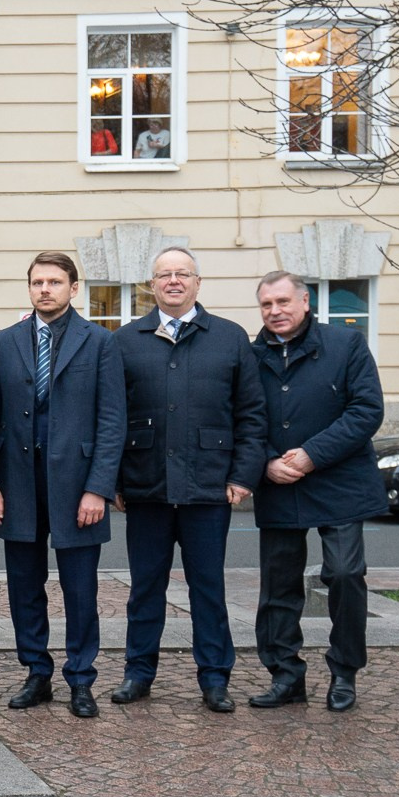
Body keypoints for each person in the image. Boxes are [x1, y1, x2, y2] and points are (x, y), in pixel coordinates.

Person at [113, 247, 267, 713]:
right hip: (145, 487)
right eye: (165, 275)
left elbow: (252, 413)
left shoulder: (230, 337)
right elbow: (112, 417)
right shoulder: (125, 340)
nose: (174, 281)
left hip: (209, 486)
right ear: (152, 284)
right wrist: (114, 480)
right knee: (144, 587)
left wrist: (243, 475)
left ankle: (215, 678)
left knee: (207, 587)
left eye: (183, 274)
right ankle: (138, 673)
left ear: (198, 283)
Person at [0, 251, 125, 720]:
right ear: (29, 288)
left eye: (55, 282)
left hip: (77, 487)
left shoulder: (100, 343)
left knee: (80, 590)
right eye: (38, 282)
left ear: (73, 288)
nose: (45, 289)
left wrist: (98, 488)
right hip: (18, 485)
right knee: (25, 588)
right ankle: (36, 673)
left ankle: (81, 679)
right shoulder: (6, 341)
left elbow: (111, 422)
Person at [248, 271, 386, 713]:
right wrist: (267, 461)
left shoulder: (346, 346)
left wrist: (311, 455)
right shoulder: (250, 357)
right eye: (267, 304)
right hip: (278, 483)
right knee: (278, 587)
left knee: (345, 574)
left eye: (284, 302)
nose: (276, 311)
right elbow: (242, 418)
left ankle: (344, 672)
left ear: (305, 302)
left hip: (338, 480)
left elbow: (366, 411)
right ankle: (285, 675)